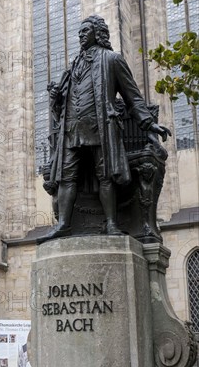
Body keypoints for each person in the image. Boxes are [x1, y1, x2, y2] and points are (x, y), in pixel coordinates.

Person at [40, 15, 171, 241]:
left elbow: (132, 96)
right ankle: (63, 224)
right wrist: (56, 98)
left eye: (85, 31)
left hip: (100, 126)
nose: (80, 35)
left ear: (97, 33)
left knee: (106, 175)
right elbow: (62, 103)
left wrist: (149, 124)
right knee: (66, 176)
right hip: (72, 130)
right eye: (79, 32)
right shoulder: (73, 66)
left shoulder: (111, 59)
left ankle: (111, 224)